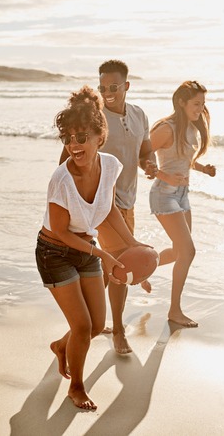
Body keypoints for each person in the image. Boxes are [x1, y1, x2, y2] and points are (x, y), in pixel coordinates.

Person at [38, 85, 146, 410]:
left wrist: (133, 243)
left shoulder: (110, 166)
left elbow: (108, 210)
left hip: (85, 250)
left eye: (81, 137)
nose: (73, 145)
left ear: (101, 135)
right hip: (54, 253)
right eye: (67, 138)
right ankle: (77, 387)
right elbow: (60, 231)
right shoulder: (61, 180)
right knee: (83, 326)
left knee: (97, 326)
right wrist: (102, 253)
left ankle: (61, 346)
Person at [59, 60, 157, 355]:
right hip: (101, 205)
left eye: (113, 87)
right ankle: (116, 331)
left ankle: (75, 334)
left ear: (126, 86)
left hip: (128, 201)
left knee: (105, 271)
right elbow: (68, 155)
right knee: (120, 266)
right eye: (102, 87)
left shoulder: (139, 115)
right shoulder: (94, 117)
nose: (107, 92)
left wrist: (150, 164)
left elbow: (144, 151)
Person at [149, 80, 216, 328]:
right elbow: (142, 155)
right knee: (189, 251)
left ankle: (139, 267)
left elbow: (182, 159)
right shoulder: (166, 128)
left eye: (203, 104)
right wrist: (164, 176)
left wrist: (202, 168)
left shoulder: (191, 129)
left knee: (179, 252)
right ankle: (174, 311)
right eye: (196, 104)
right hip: (163, 195)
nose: (200, 109)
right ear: (181, 102)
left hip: (182, 195)